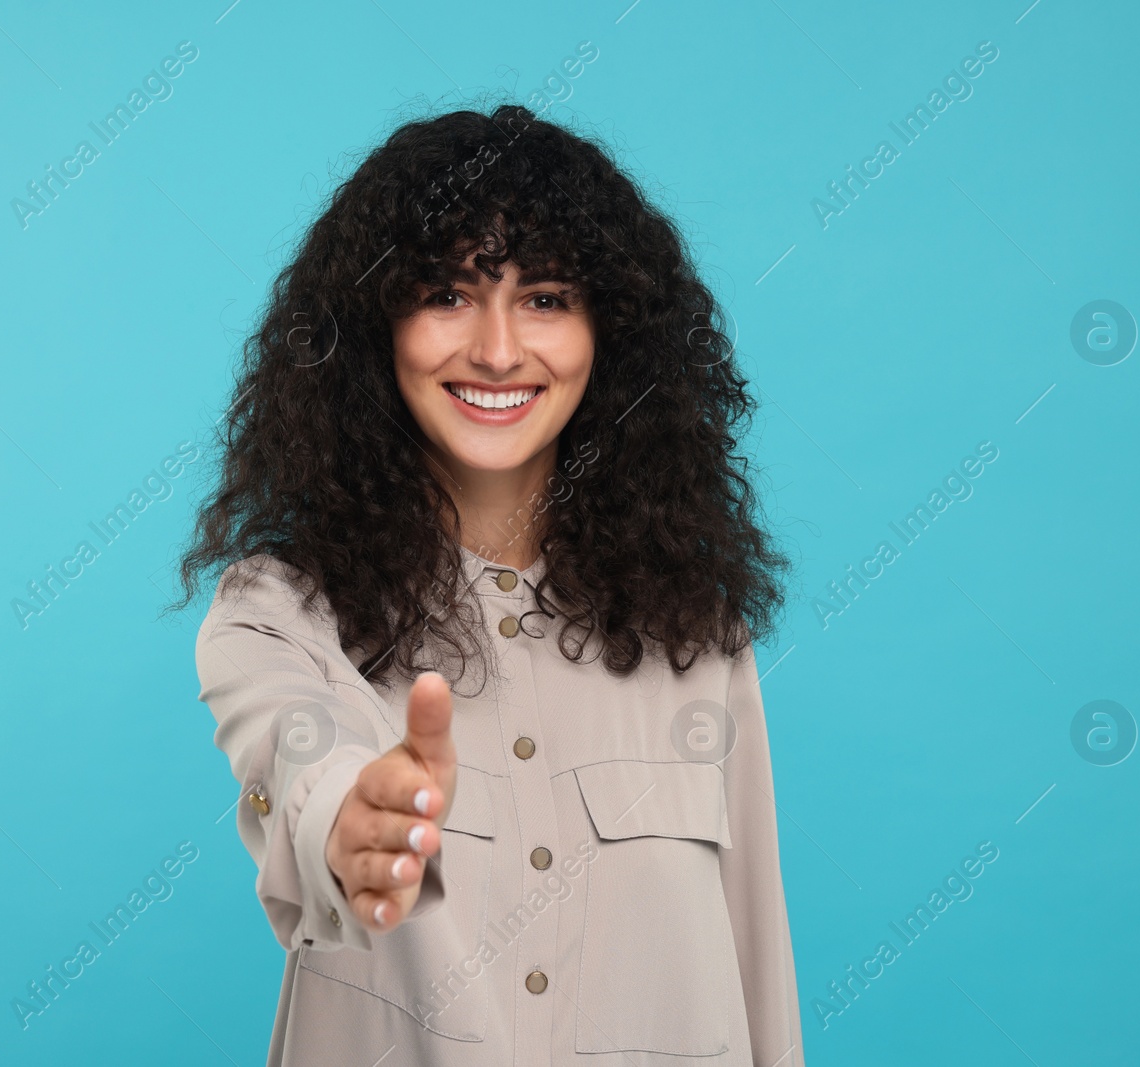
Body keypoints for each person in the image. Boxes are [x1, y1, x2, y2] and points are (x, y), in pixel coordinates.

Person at [177, 101, 804, 1066]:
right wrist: (354, 821)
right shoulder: (278, 614)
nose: (500, 351)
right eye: (447, 294)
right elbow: (297, 762)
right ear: (374, 328)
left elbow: (755, 953)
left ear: (614, 334)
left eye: (547, 297)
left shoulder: (697, 629)